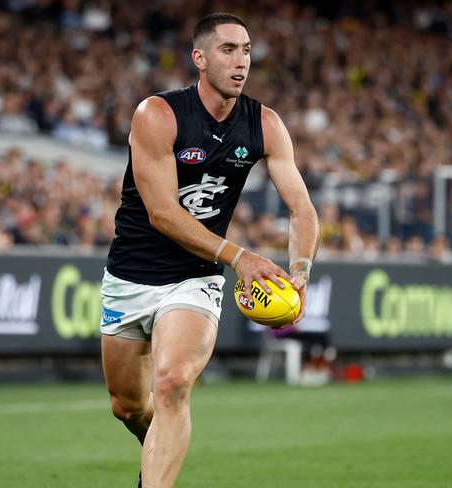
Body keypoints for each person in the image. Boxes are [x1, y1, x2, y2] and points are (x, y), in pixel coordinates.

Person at [100, 13, 319, 488]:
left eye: (246, 50)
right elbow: (162, 214)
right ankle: (161, 450)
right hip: (130, 275)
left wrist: (300, 269)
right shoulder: (157, 115)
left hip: (195, 277)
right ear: (199, 58)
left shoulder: (265, 124)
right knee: (129, 406)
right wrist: (242, 256)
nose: (241, 61)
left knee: (174, 382)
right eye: (228, 50)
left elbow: (301, 207)